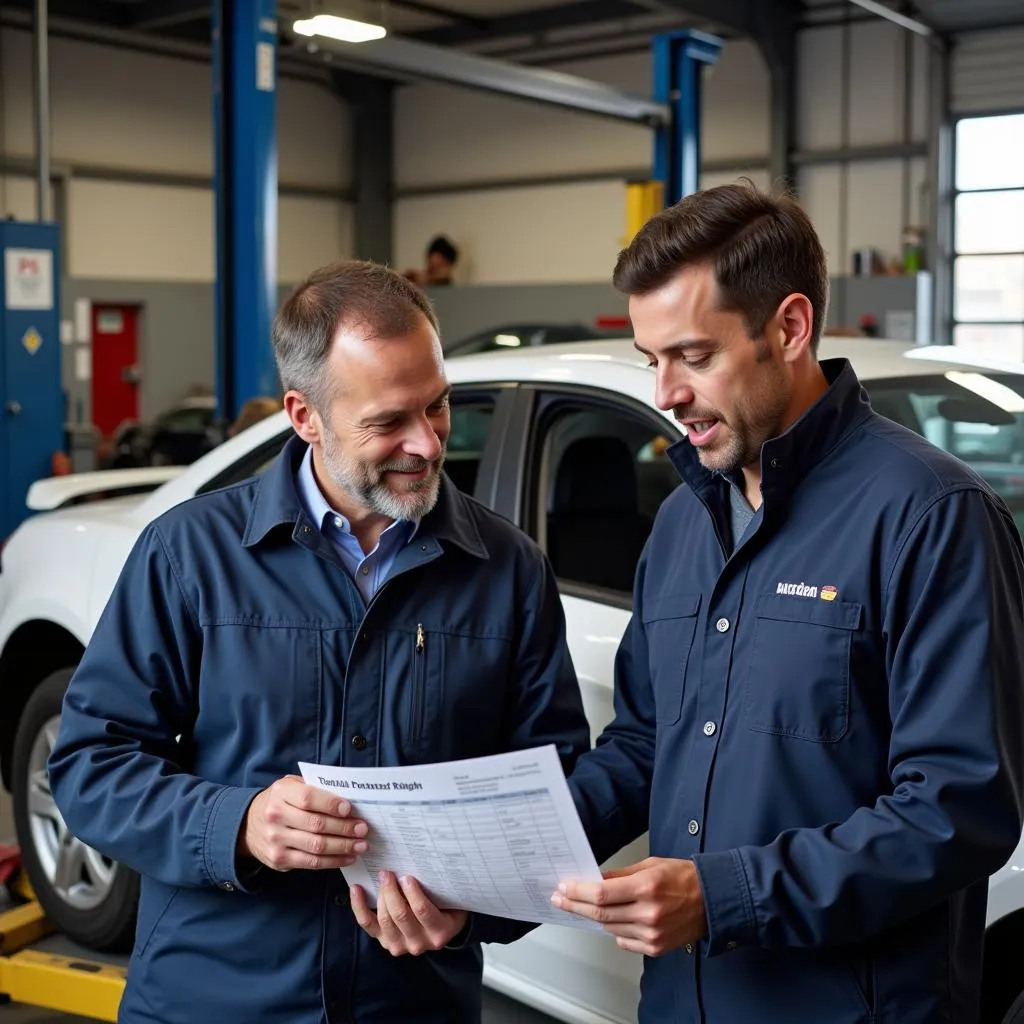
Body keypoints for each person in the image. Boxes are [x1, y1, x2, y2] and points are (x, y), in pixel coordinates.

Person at [47, 259, 590, 1024]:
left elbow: (552, 794)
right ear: (304, 416)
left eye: (437, 408)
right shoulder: (189, 555)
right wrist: (234, 823)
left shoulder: (508, 571)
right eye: (388, 422)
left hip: (412, 1002)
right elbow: (90, 764)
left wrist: (475, 914)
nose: (428, 445)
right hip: (213, 998)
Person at [549, 182, 1024, 1022]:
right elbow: (644, 742)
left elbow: (960, 807)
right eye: (650, 360)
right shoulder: (682, 523)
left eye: (694, 356)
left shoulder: (929, 516)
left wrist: (723, 897)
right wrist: (496, 861)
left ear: (791, 327)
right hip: (684, 1002)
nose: (666, 393)